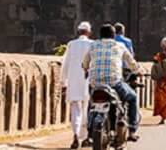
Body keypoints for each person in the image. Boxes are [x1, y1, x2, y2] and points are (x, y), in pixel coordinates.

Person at [83, 23, 140, 142]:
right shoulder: (119, 46)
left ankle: (89, 133)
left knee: (92, 103)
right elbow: (132, 63)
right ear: (114, 35)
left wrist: (86, 68)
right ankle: (132, 130)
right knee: (132, 97)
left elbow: (85, 63)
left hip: (95, 83)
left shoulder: (93, 45)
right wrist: (137, 70)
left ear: (100, 35)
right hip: (114, 83)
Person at [60, 21, 95, 149]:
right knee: (87, 109)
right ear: (89, 32)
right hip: (88, 81)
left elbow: (65, 64)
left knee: (75, 110)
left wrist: (63, 82)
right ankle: (85, 137)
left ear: (78, 32)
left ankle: (75, 135)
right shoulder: (93, 44)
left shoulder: (71, 45)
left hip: (74, 82)